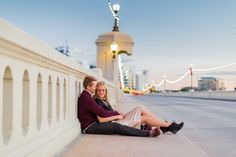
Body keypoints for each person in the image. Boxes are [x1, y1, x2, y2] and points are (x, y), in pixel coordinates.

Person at [77, 75, 160, 137]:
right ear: (88, 86)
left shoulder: (87, 96)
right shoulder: (86, 97)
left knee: (118, 125)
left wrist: (116, 114)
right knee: (117, 126)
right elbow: (102, 113)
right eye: (95, 86)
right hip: (90, 127)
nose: (95, 88)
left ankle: (146, 128)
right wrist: (116, 114)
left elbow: (102, 112)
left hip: (93, 124)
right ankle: (148, 133)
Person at [95, 81, 184, 134]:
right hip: (117, 124)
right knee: (144, 118)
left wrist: (118, 112)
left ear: (106, 90)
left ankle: (164, 125)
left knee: (139, 108)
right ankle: (169, 125)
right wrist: (116, 117)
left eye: (103, 90)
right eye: (99, 90)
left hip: (119, 119)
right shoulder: (97, 101)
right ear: (96, 91)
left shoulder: (104, 100)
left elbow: (108, 112)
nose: (101, 92)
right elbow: (101, 119)